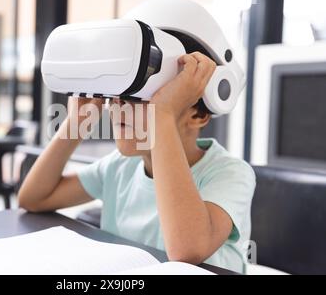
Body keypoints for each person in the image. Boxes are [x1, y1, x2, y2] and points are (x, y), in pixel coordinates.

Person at [18, 52, 255, 273]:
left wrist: (160, 114)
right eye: (117, 96)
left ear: (198, 115)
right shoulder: (119, 166)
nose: (119, 106)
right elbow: (34, 198)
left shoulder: (231, 173)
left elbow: (186, 252)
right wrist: (76, 123)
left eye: (141, 97)